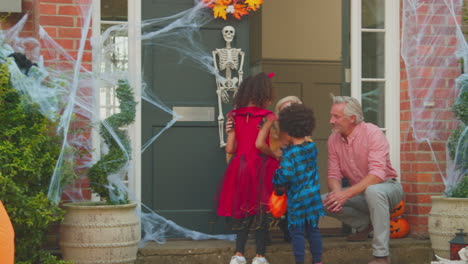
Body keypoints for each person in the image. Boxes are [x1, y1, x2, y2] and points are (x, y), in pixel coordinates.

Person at [322, 95, 403, 264]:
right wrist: (337, 194)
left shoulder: (372, 132)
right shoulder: (333, 139)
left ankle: (382, 256)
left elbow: (377, 175)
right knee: (322, 201)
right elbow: (333, 174)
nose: (331, 120)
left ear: (352, 118)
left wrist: (345, 195)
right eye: (331, 115)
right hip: (359, 193)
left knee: (373, 190)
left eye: (336, 116)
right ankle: (364, 225)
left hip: (387, 187)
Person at [217, 72, 279, 264]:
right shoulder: (267, 117)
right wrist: (275, 154)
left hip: (239, 166)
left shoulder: (233, 115)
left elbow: (230, 148)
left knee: (242, 209)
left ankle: (238, 254)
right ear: (263, 94)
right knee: (261, 209)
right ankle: (260, 256)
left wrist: (234, 133)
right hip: (259, 166)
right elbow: (260, 144)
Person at [273, 104, 324, 264]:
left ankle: (300, 261)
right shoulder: (312, 147)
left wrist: (276, 178)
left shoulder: (290, 154)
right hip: (313, 198)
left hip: (298, 200)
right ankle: (317, 261)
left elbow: (286, 175)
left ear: (287, 130)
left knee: (297, 233)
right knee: (314, 231)